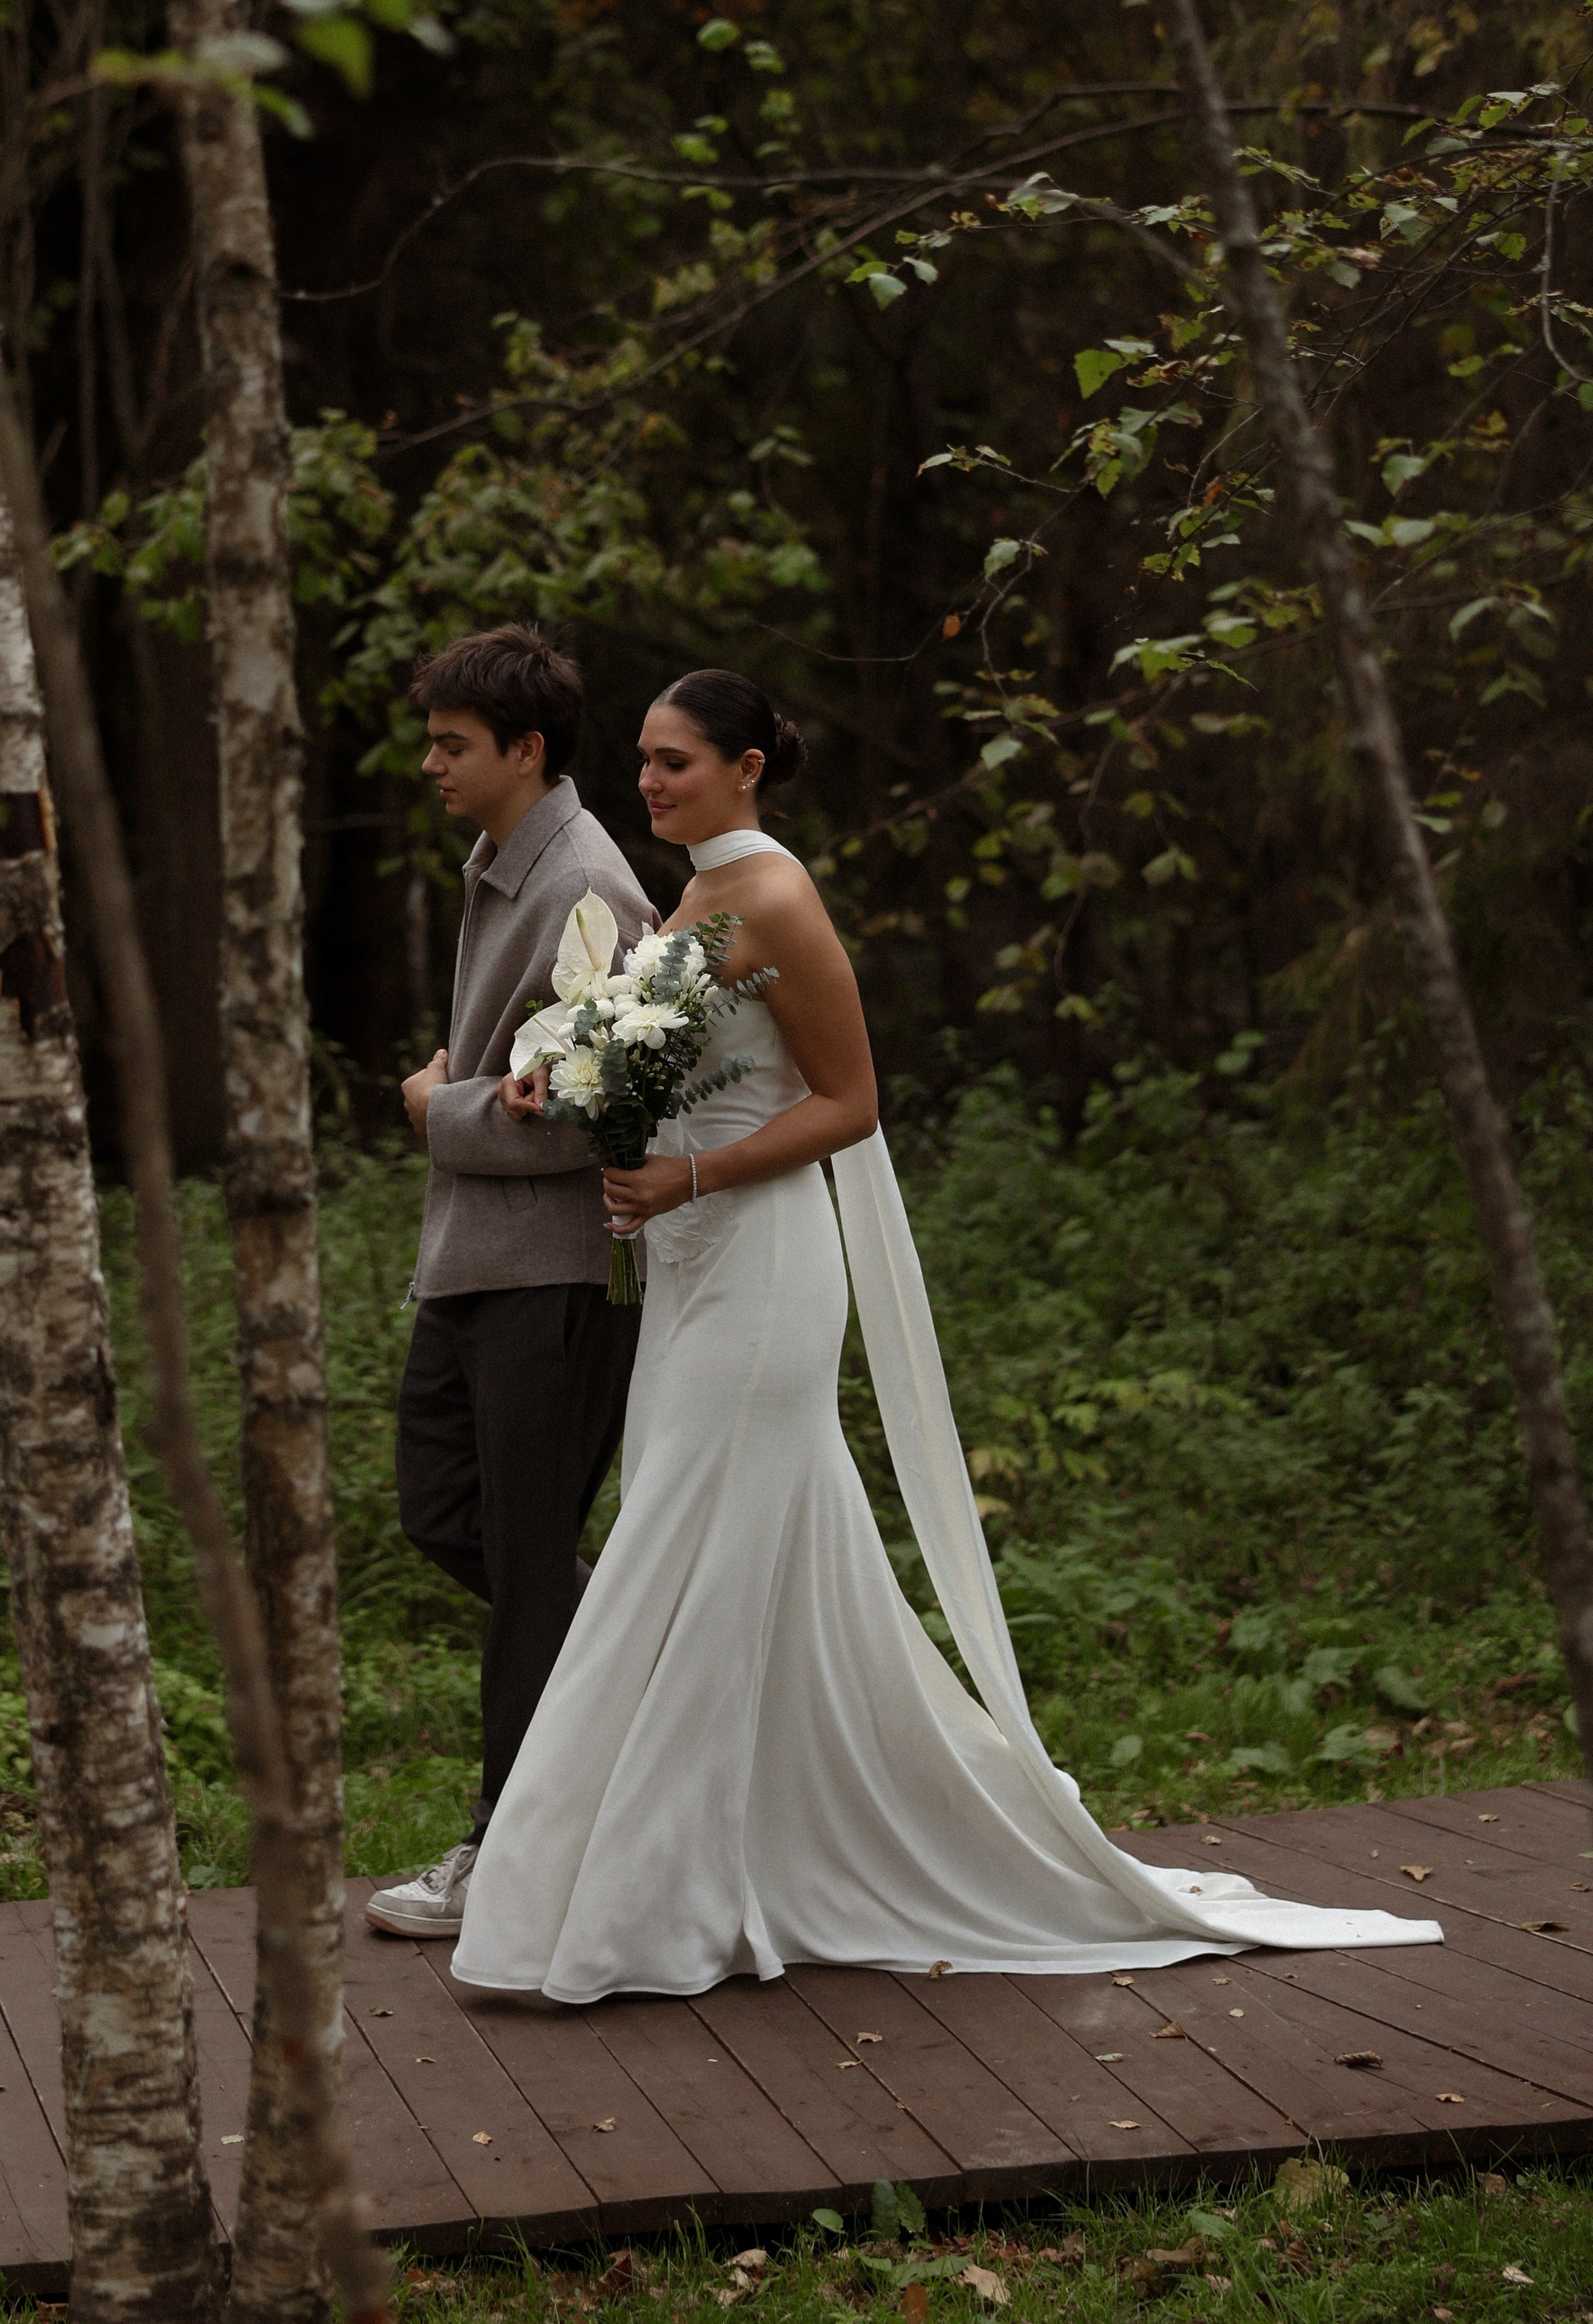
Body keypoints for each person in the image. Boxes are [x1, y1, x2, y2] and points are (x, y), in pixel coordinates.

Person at [450, 666, 1443, 2001]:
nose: (650, 782)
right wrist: (565, 1079)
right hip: (687, 1265)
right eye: (642, 759)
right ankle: (751, 1849)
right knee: (735, 1553)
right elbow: (672, 1067)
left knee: (676, 1540)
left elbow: (852, 1103)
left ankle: (630, 1898)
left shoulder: (778, 895)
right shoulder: (688, 897)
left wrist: (690, 1176)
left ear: (748, 767)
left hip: (763, 1262)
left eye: (677, 761)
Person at [366, 623, 656, 1940]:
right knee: (443, 1514)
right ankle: (635, 1673)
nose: (430, 763)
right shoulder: (504, 864)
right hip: (473, 1271)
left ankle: (508, 1858)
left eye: (452, 744)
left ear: (524, 752)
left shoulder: (590, 888)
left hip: (556, 1280)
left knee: (531, 1568)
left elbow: (612, 1113)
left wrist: (442, 1109)